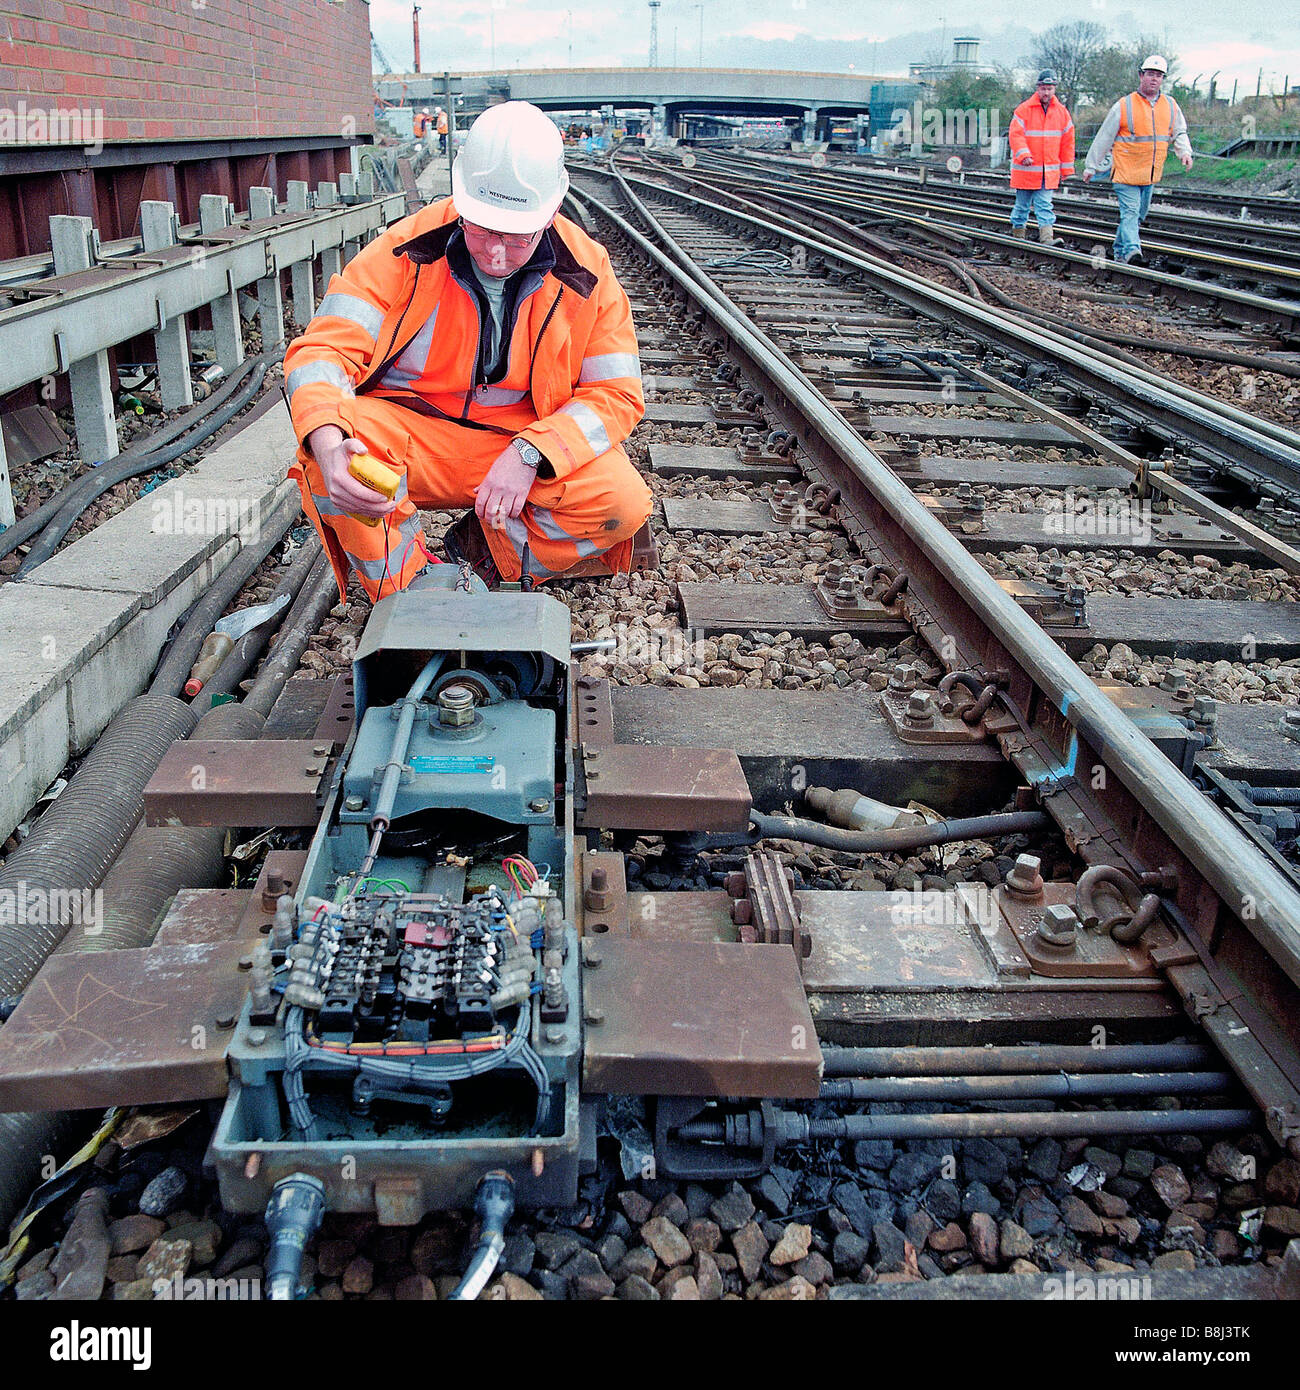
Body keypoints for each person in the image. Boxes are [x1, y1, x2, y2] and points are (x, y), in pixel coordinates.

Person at [283, 100, 652, 600]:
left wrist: (532, 452)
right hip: (414, 437)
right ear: (460, 204)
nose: (497, 252)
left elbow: (616, 392)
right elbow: (322, 351)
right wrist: (327, 443)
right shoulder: (406, 250)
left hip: (517, 444)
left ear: (550, 214)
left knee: (620, 501)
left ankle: (478, 560)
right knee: (336, 453)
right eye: (481, 230)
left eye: (517, 237)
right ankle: (405, 593)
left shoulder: (587, 273)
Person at [1083, 55, 1194, 266]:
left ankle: (1119, 250)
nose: (1154, 79)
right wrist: (1091, 166)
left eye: (1159, 75)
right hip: (1125, 173)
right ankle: (1133, 252)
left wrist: (1185, 153)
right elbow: (1104, 137)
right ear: (1141, 75)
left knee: (1137, 215)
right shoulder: (1124, 105)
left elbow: (1179, 132)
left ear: (1163, 79)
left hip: (1150, 174)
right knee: (1131, 212)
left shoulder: (1170, 105)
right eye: (1150, 74)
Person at [1007, 70, 1075, 246]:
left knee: (1044, 205)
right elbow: (1015, 135)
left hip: (1048, 171)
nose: (1047, 92)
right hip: (1027, 170)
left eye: (1050, 89)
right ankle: (1018, 237)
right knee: (1022, 206)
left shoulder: (1062, 113)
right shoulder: (1023, 110)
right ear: (1038, 88)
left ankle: (1047, 239)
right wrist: (1024, 154)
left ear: (1054, 90)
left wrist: (1067, 169)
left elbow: (1068, 142)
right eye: (1044, 88)